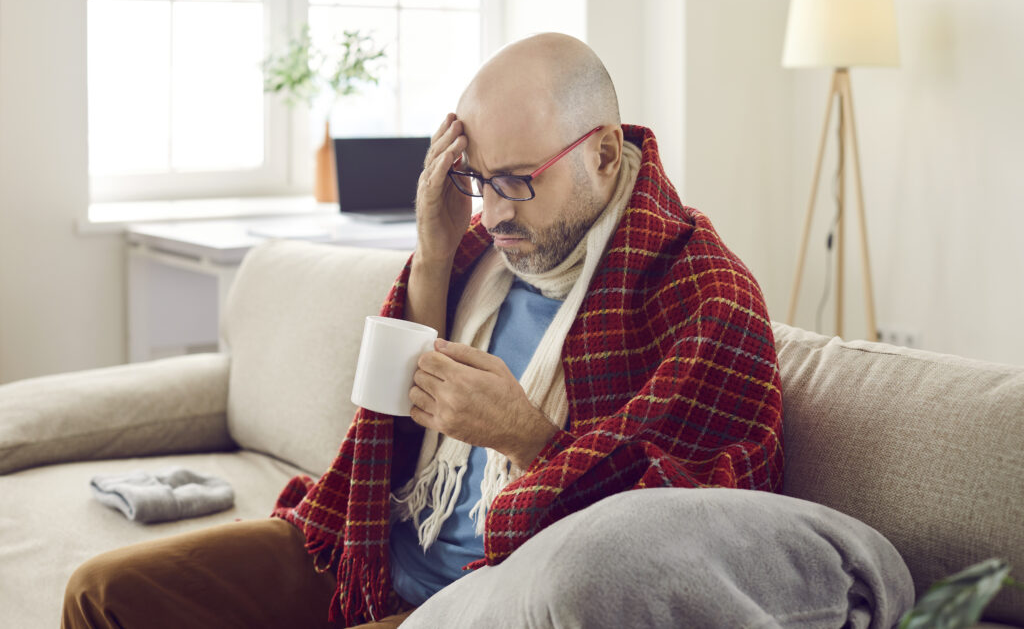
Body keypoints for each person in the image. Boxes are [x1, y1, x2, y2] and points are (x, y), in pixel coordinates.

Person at [62, 33, 785, 628]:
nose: (495, 212)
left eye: (518, 181)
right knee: (102, 595)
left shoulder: (699, 292)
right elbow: (381, 419)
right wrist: (433, 257)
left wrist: (524, 436)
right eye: (480, 179)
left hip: (488, 596)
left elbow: (682, 536)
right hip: (375, 555)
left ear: (600, 153)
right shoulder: (476, 251)